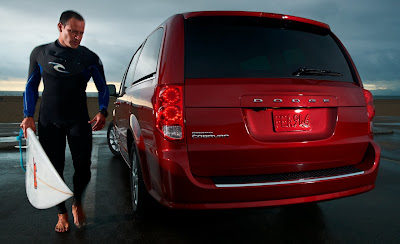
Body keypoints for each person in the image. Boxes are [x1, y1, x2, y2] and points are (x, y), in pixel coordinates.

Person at [20, 10, 109, 232]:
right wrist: (28, 115)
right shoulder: (41, 53)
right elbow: (31, 86)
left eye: (81, 33)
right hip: (49, 122)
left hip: (79, 120)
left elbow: (103, 88)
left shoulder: (90, 58)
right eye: (73, 31)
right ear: (60, 27)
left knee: (84, 168)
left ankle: (77, 201)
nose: (78, 37)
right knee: (53, 170)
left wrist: (103, 111)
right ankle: (61, 213)